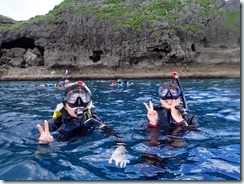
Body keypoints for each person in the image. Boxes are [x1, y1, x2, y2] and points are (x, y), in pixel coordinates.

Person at [37, 81, 129, 168]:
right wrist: (43, 144)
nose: (79, 104)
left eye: (84, 99)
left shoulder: (94, 120)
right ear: (65, 105)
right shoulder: (55, 123)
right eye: (73, 99)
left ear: (88, 104)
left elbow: (115, 136)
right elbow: (38, 155)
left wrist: (119, 150)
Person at [143, 81, 198, 147]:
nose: (169, 101)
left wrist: (180, 121)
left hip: (177, 147)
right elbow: (144, 134)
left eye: (173, 98)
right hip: (156, 145)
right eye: (166, 98)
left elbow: (195, 136)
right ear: (160, 99)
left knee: (177, 144)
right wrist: (153, 124)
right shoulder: (153, 114)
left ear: (180, 99)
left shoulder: (190, 118)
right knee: (150, 152)